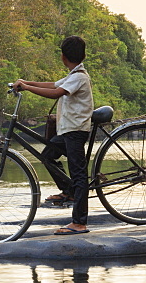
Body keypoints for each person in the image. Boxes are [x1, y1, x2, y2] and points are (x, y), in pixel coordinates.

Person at [13, 35, 93, 235]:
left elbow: (57, 93)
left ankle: (79, 223)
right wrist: (25, 82)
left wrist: (27, 88)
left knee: (79, 174)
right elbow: (53, 85)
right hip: (67, 130)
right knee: (48, 154)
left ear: (63, 57)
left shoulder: (80, 77)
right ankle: (69, 191)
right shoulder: (73, 74)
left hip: (76, 131)